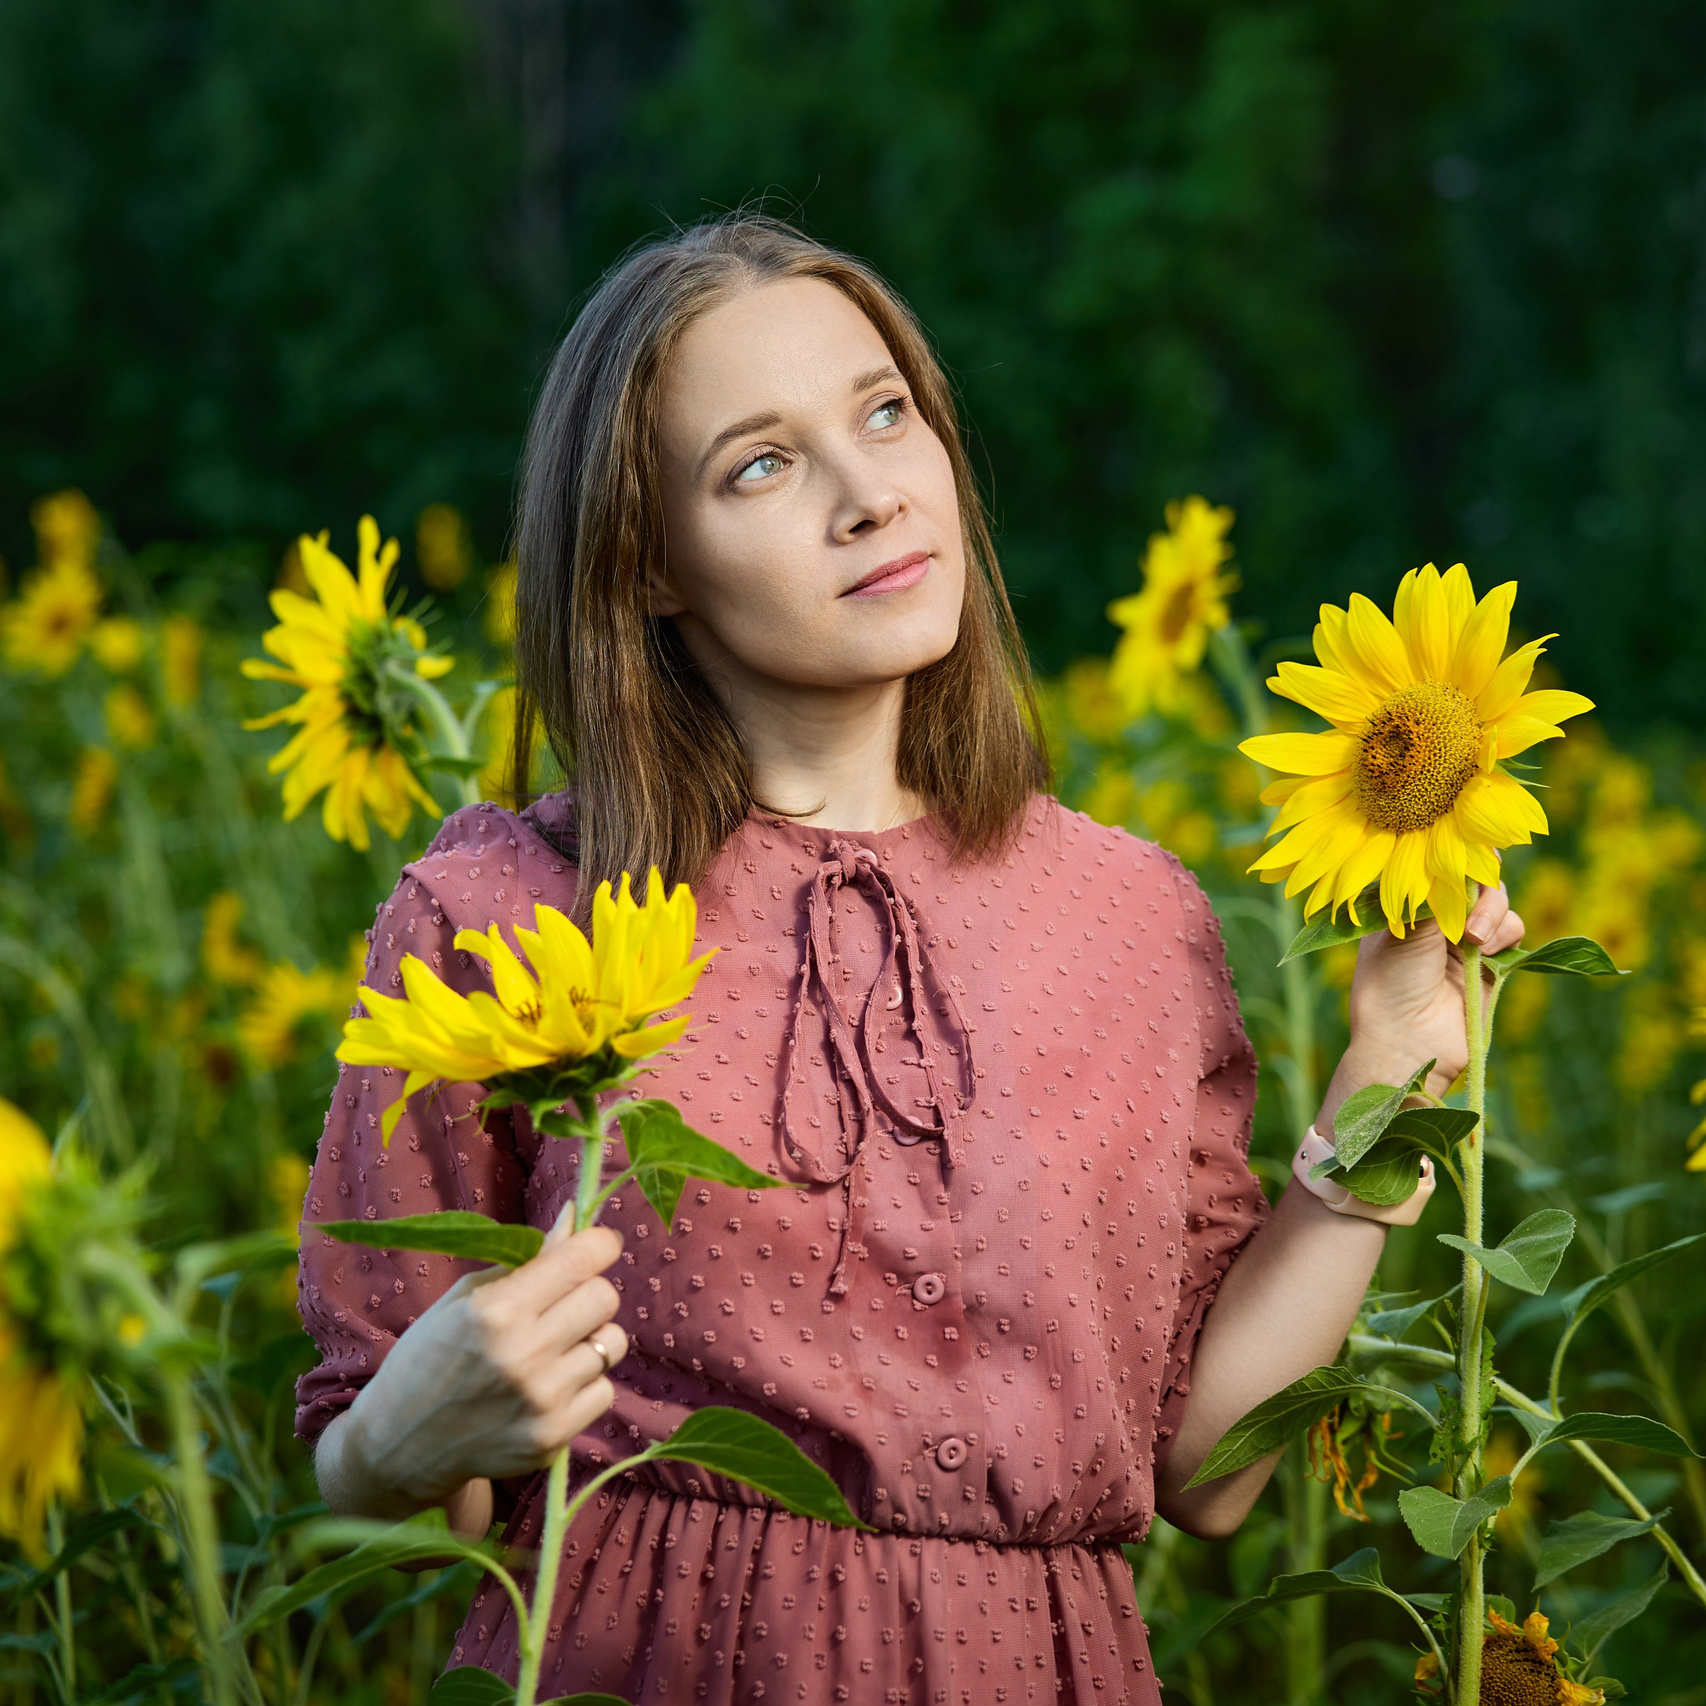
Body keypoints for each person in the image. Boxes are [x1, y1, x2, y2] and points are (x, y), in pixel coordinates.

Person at [296, 213, 1525, 1705]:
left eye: (884, 414)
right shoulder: (499, 911)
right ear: (649, 562)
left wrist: (1391, 1067)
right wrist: (388, 1439)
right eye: (762, 464)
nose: (869, 494)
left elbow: (1207, 1465)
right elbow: (385, 1474)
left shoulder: (1131, 917)